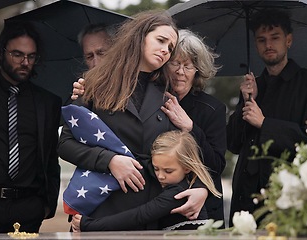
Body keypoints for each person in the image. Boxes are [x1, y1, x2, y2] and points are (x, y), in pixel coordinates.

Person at [58, 10, 208, 230]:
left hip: (150, 214)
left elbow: (182, 153)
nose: (166, 50)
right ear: (140, 36)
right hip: (103, 208)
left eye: (170, 47)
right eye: (161, 40)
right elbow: (64, 144)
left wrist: (202, 188)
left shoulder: (168, 91)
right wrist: (110, 161)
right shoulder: (93, 83)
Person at [226, 9, 307, 225]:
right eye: (261, 40)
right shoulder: (252, 87)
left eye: (275, 38)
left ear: (289, 40)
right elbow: (233, 143)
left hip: (289, 197)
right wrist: (247, 101)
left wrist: (265, 124)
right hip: (245, 201)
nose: (268, 45)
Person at [0, 21, 62, 233]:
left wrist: (46, 205)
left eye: (31, 56)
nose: (25, 62)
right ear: (1, 52)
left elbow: (51, 157)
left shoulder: (48, 102)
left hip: (29, 207)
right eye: (17, 54)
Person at [71, 130, 221, 231]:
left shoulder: (179, 194)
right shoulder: (172, 178)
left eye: (168, 171)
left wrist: (89, 224)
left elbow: (140, 215)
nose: (160, 176)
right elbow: (144, 161)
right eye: (156, 169)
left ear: (187, 168)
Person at [160, 29, 227, 223]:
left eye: (188, 66)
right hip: (159, 206)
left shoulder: (213, 109)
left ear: (197, 69)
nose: (180, 72)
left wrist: (190, 128)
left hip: (201, 210)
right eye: (175, 64)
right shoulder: (153, 102)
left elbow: (216, 165)